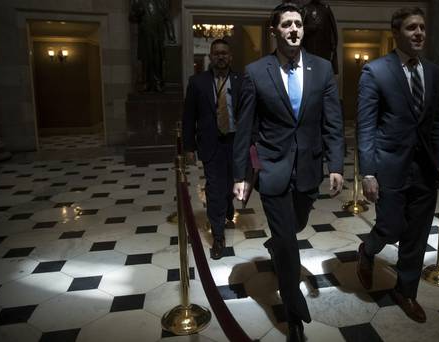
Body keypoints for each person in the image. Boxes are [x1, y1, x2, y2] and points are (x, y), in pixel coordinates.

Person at [233, 3, 344, 341]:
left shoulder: (322, 69)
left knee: (296, 225)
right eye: (287, 25)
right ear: (275, 31)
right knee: (286, 243)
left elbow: (333, 122)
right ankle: (294, 313)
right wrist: (241, 176)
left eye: (298, 24)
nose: (295, 29)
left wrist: (336, 165)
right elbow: (245, 129)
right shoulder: (255, 72)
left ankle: (279, 244)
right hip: (273, 169)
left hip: (309, 169)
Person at [355, 7, 439, 324]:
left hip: (425, 169)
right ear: (396, 33)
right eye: (412, 28)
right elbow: (365, 126)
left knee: (418, 235)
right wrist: (367, 172)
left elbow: (436, 122)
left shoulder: (433, 72)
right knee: (392, 226)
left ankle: (405, 291)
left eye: (422, 27)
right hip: (389, 166)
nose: (419, 33)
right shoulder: (376, 71)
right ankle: (368, 250)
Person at [182, 39, 242, 260]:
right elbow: (189, 117)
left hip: (236, 143)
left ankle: (227, 204)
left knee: (231, 184)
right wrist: (188, 147)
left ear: (230, 56)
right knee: (215, 189)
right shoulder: (197, 82)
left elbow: (250, 112)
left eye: (224, 53)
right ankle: (218, 236)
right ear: (210, 56)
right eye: (216, 53)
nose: (220, 56)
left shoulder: (241, 80)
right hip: (211, 144)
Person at [129, 0, 176, 92]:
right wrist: (137, 12)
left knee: (158, 59)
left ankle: (158, 82)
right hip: (145, 37)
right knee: (146, 59)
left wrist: (171, 36)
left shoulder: (162, 3)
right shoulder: (139, 2)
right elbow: (131, 18)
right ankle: (146, 83)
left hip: (158, 36)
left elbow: (168, 19)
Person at [301, 0, 339, 74]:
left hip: (324, 49)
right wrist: (309, 28)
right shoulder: (305, 9)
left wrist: (333, 49)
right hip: (309, 48)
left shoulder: (326, 8)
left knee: (324, 72)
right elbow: (299, 29)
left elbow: (333, 30)